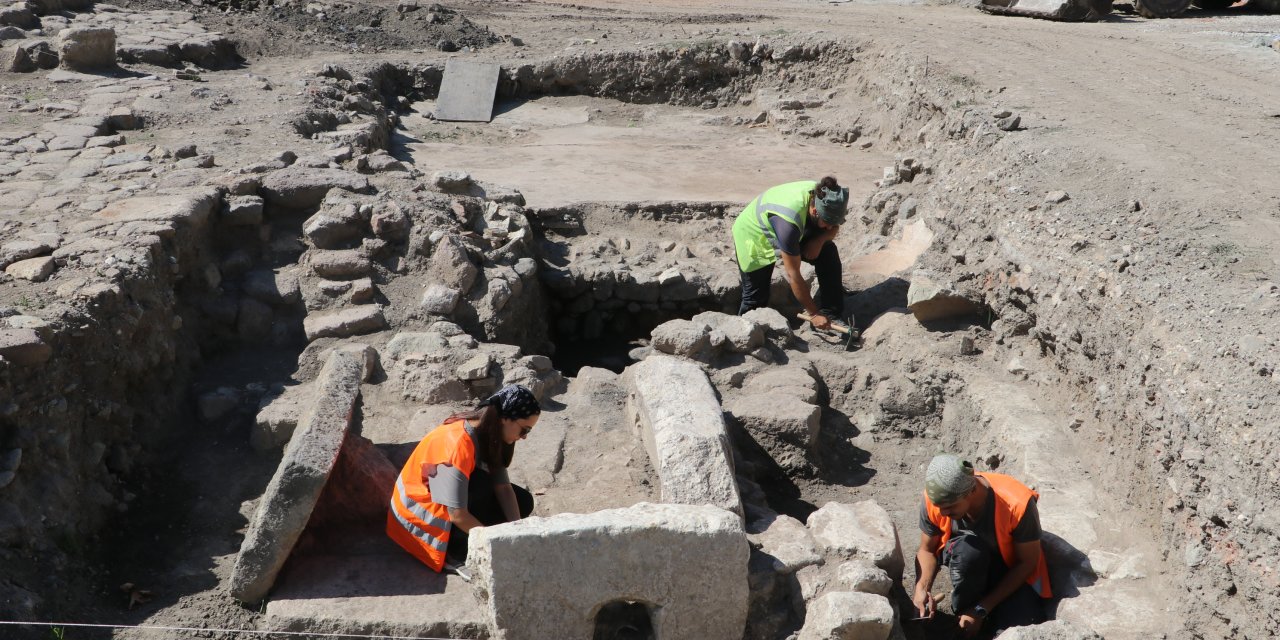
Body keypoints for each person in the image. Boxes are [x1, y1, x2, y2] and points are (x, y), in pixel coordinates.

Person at [387, 384, 541, 572]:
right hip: (419, 522)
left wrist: (519, 533)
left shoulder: (492, 435)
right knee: (482, 485)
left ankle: (471, 538)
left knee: (523, 501)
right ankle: (455, 551)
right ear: (505, 418)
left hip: (450, 503)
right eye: (524, 430)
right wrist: (494, 544)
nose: (524, 437)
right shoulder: (455, 443)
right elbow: (457, 514)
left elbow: (503, 488)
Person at [913, 454, 1052, 639]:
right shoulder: (936, 499)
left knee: (1023, 627)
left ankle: (979, 617)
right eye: (939, 507)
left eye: (950, 507)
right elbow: (927, 550)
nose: (943, 513)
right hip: (968, 560)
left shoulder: (1017, 504)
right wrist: (922, 588)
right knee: (969, 553)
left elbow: (1027, 563)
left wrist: (980, 609)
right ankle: (963, 616)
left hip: (1009, 571)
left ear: (971, 491)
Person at [731, 176, 849, 331]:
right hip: (754, 236)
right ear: (815, 211)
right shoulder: (788, 225)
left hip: (789, 226)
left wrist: (820, 241)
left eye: (835, 222)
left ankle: (831, 314)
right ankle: (743, 334)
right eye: (828, 223)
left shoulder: (826, 196)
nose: (831, 228)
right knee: (755, 297)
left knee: (828, 253)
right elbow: (793, 274)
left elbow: (833, 227)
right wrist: (813, 314)